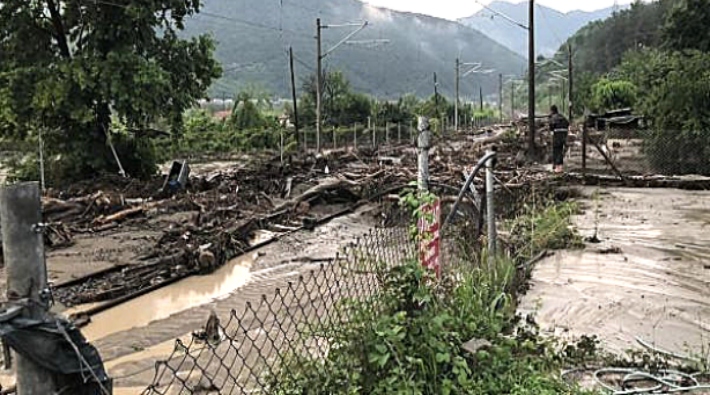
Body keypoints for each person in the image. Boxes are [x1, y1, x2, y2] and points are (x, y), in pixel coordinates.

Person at [548, 105, 570, 173]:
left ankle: (556, 167)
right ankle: (560, 166)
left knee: (556, 150)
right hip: (564, 135)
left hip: (557, 135)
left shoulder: (553, 117)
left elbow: (551, 127)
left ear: (552, 111)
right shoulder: (562, 116)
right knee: (560, 150)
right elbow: (567, 123)